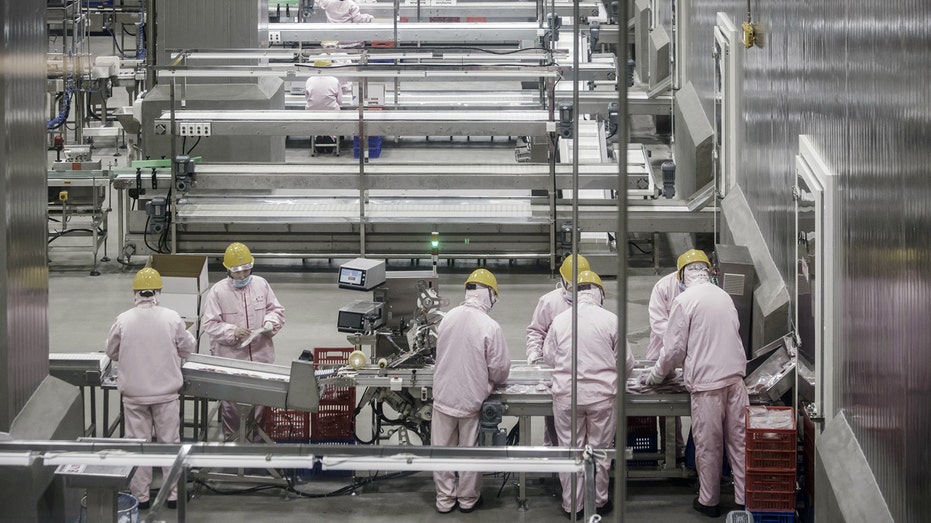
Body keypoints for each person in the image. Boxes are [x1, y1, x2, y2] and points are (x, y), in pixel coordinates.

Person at [645, 251, 748, 517]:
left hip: (707, 386)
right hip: (736, 380)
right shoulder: (724, 296)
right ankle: (743, 498)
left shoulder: (684, 299)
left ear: (681, 275)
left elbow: (673, 349)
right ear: (708, 271)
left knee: (709, 444)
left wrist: (657, 375)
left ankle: (709, 501)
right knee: (739, 441)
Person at [543, 270, 634, 520]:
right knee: (599, 451)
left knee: (571, 451)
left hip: (566, 398)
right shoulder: (612, 320)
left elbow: (549, 357)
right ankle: (599, 502)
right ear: (600, 294)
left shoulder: (561, 320)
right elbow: (626, 363)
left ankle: (573, 506)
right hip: (601, 398)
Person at [105, 268, 196, 510]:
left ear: (136, 292)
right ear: (157, 292)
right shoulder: (172, 317)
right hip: (166, 394)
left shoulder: (123, 319)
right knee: (169, 443)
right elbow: (187, 348)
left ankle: (141, 498)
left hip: (134, 396)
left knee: (138, 446)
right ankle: (173, 495)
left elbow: (111, 351)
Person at [431, 269, 511, 514]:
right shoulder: (490, 326)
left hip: (443, 396)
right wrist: (489, 382)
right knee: (469, 453)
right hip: (471, 401)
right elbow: (499, 370)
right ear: (489, 295)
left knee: (441, 451)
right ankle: (467, 500)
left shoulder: (447, 317)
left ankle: (444, 500)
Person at [202, 242, 285, 441]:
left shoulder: (261, 284)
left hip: (260, 358)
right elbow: (210, 324)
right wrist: (232, 331)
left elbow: (276, 310)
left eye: (246, 270)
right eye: (237, 272)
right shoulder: (218, 292)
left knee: (260, 404)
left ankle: (257, 445)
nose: (242, 276)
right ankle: (234, 447)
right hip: (231, 361)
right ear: (228, 270)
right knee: (232, 407)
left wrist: (269, 323)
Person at [644, 249, 710, 458]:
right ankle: (668, 452)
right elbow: (659, 324)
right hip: (663, 351)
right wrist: (682, 344)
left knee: (692, 404)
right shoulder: (663, 287)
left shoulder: (708, 287)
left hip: (696, 353)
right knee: (664, 404)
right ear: (679, 273)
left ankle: (679, 451)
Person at [526, 254, 590, 446]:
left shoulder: (592, 299)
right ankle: (553, 460)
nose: (575, 289)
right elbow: (536, 331)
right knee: (554, 424)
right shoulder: (549, 302)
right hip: (556, 373)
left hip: (585, 372)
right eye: (571, 284)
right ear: (562, 280)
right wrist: (534, 353)